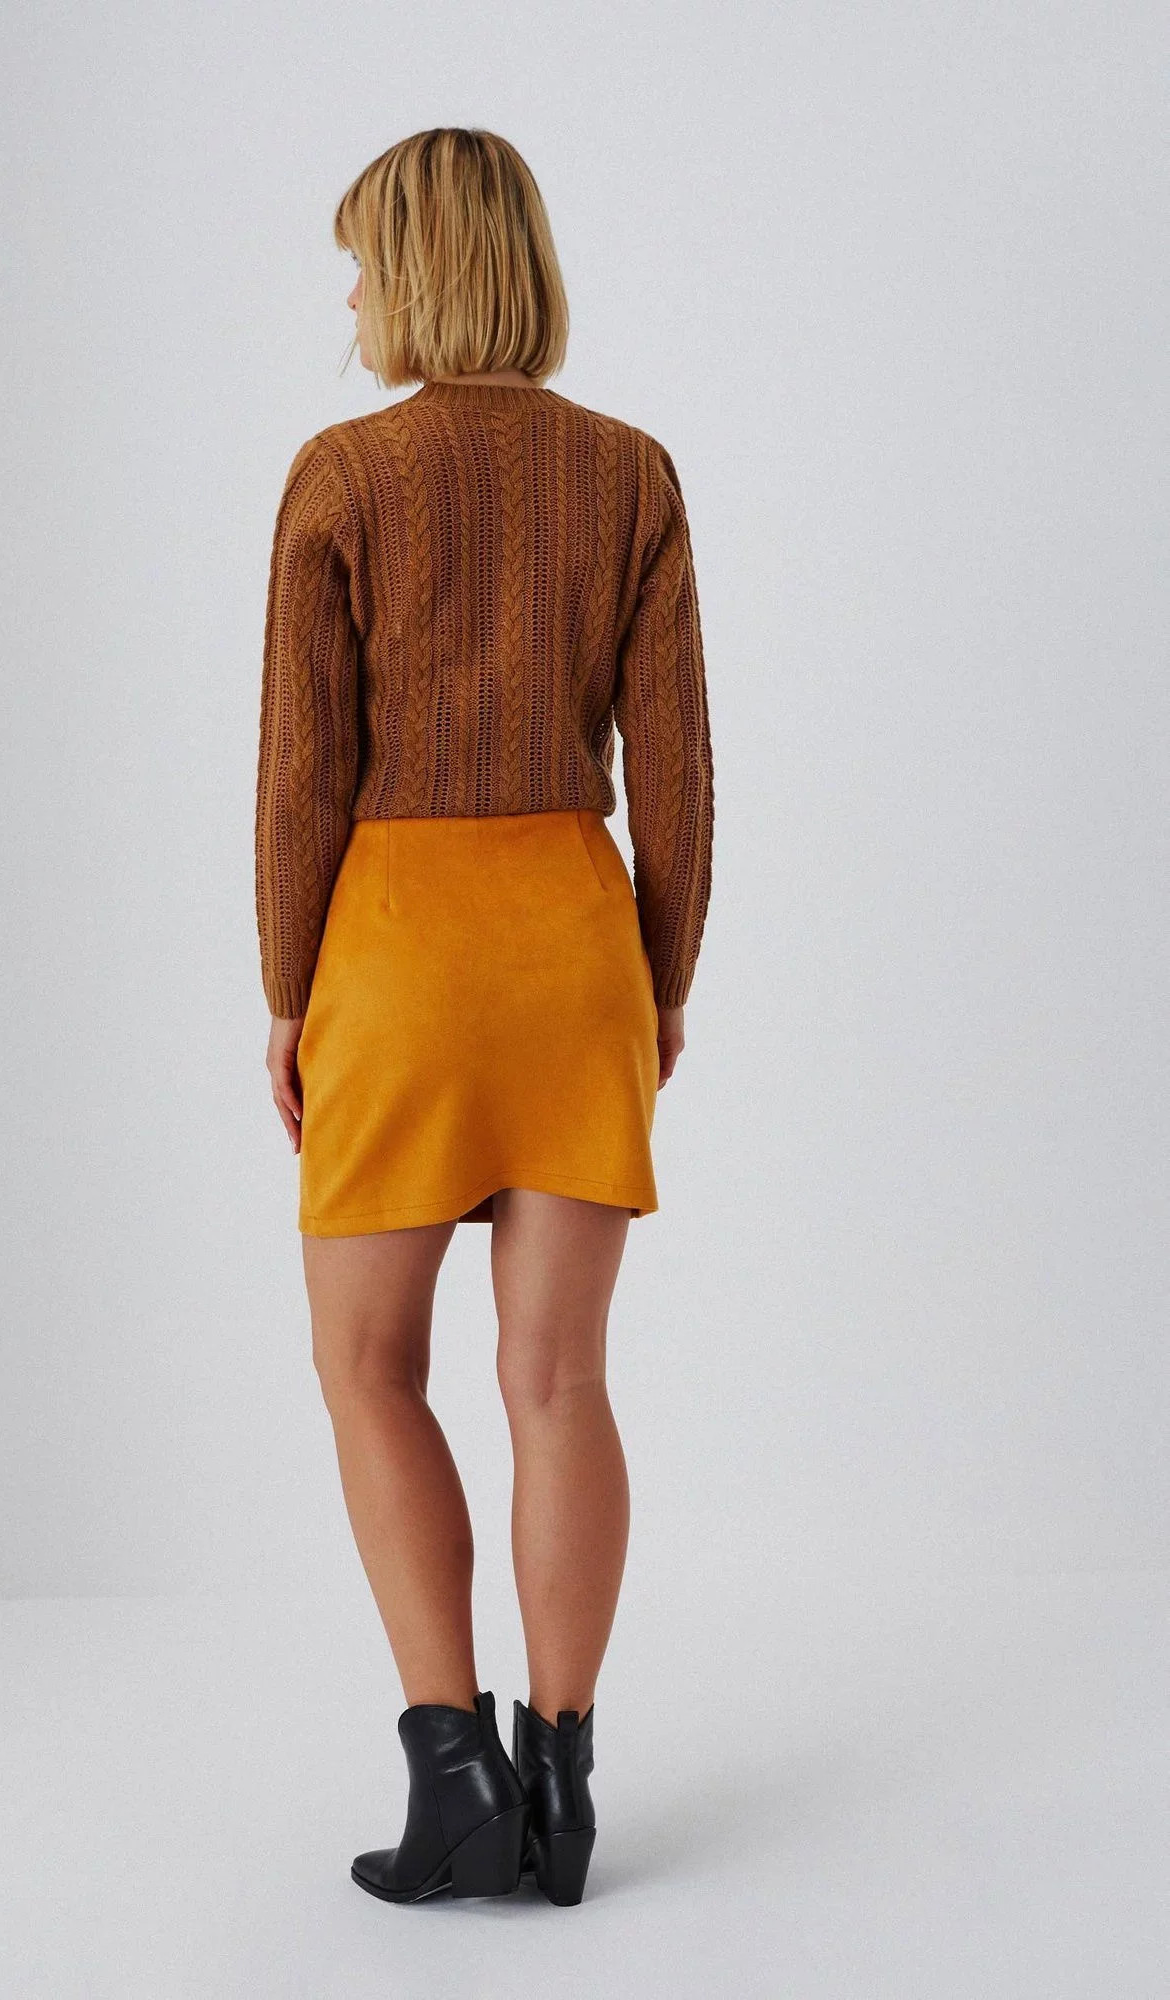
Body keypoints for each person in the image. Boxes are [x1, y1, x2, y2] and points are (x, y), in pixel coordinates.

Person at [255, 126, 714, 1906]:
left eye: (365, 262)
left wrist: (288, 996)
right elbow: (675, 775)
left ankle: (450, 1775)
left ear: (421, 270)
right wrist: (659, 980)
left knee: (369, 1367)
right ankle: (563, 1791)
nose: (354, 296)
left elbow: (304, 773)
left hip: (396, 952)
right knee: (559, 1378)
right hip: (572, 950)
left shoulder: (344, 474)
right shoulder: (630, 473)